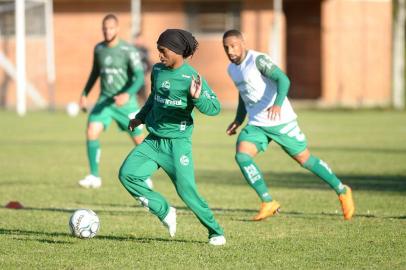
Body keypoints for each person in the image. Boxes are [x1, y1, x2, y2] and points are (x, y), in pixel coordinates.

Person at [222, 29, 355, 221]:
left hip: (280, 120)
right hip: (257, 124)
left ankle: (342, 190)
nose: (230, 50)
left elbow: (283, 79)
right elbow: (244, 95)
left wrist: (277, 105)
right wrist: (238, 120)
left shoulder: (257, 60)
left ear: (243, 43)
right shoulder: (231, 69)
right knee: (242, 157)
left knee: (305, 159)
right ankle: (268, 202)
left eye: (233, 45)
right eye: (226, 47)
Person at [119, 29, 226, 245]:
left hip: (177, 144)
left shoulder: (191, 78)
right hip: (153, 140)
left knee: (187, 192)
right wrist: (140, 118)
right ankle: (165, 211)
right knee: (127, 174)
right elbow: (153, 98)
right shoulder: (157, 70)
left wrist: (196, 99)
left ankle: (216, 232)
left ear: (177, 52)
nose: (159, 56)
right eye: (158, 51)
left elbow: (214, 108)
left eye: (163, 51)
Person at [78, 14, 152, 189]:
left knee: (139, 140)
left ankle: (144, 175)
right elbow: (95, 72)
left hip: (126, 103)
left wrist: (127, 94)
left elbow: (139, 76)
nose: (107, 31)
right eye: (104, 28)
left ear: (117, 29)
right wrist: (85, 93)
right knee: (91, 130)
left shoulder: (128, 50)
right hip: (105, 100)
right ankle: (94, 176)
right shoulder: (99, 49)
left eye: (111, 28)